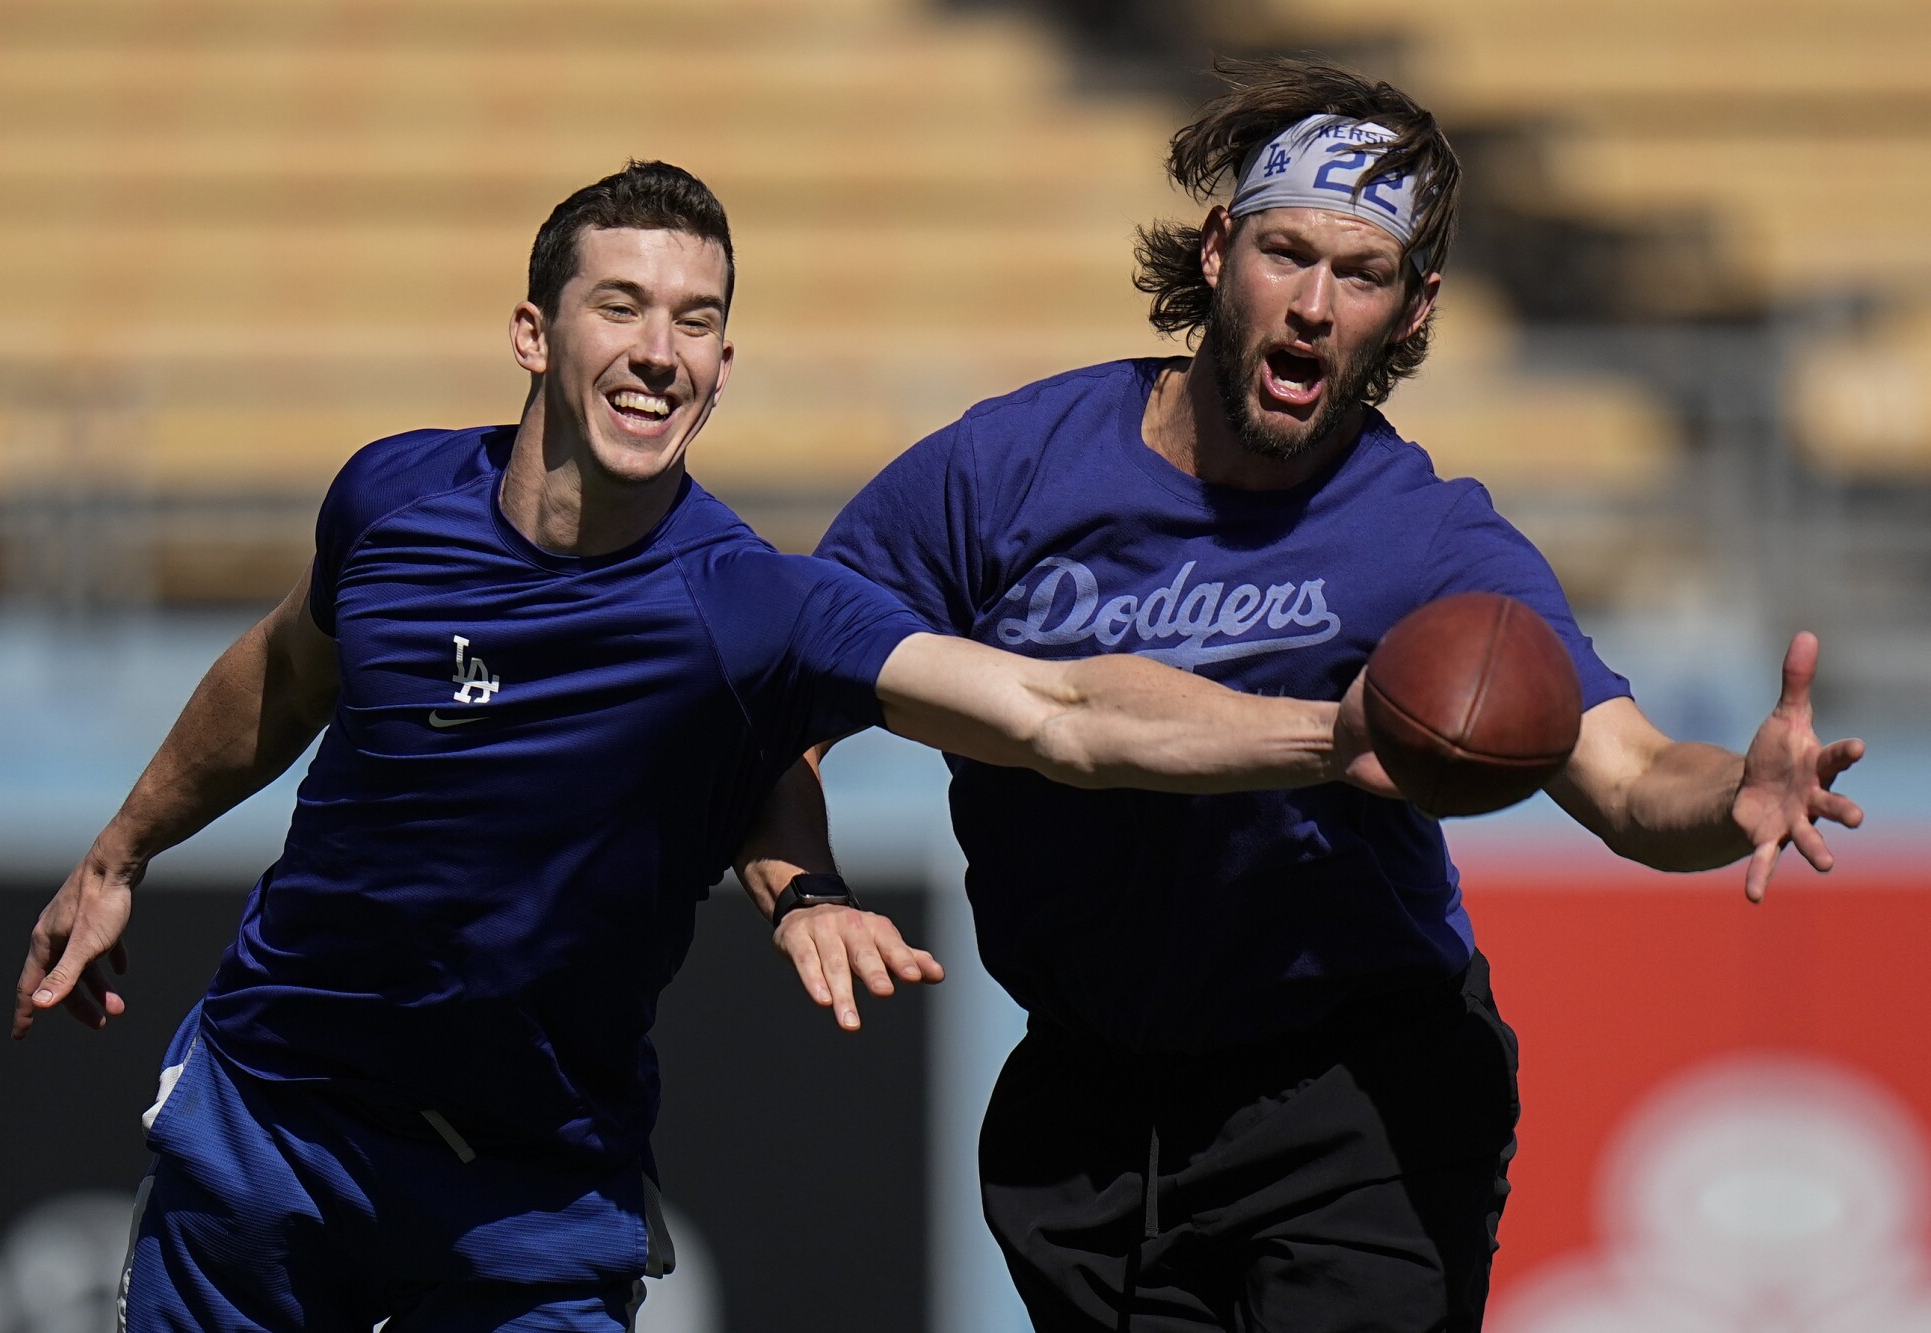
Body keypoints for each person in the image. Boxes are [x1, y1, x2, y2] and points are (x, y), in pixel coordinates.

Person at [10, 161, 1414, 1333]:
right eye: (620, 305)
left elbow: (1060, 712)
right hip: (274, 1124)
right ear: (532, 333)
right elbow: (281, 670)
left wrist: (1336, 730)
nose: (659, 349)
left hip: (531, 1193)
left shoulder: (748, 604)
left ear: (724, 366)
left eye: (697, 319)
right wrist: (120, 850)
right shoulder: (388, 497)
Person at [757, 58, 1868, 1332]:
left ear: (1411, 310)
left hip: (1357, 1100)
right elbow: (781, 696)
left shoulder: (1430, 545)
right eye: (1287, 255)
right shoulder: (1001, 474)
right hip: (1084, 1111)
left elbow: (1622, 776)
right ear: (1220, 249)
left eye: (1361, 275)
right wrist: (805, 888)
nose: (1312, 307)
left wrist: (1735, 792)